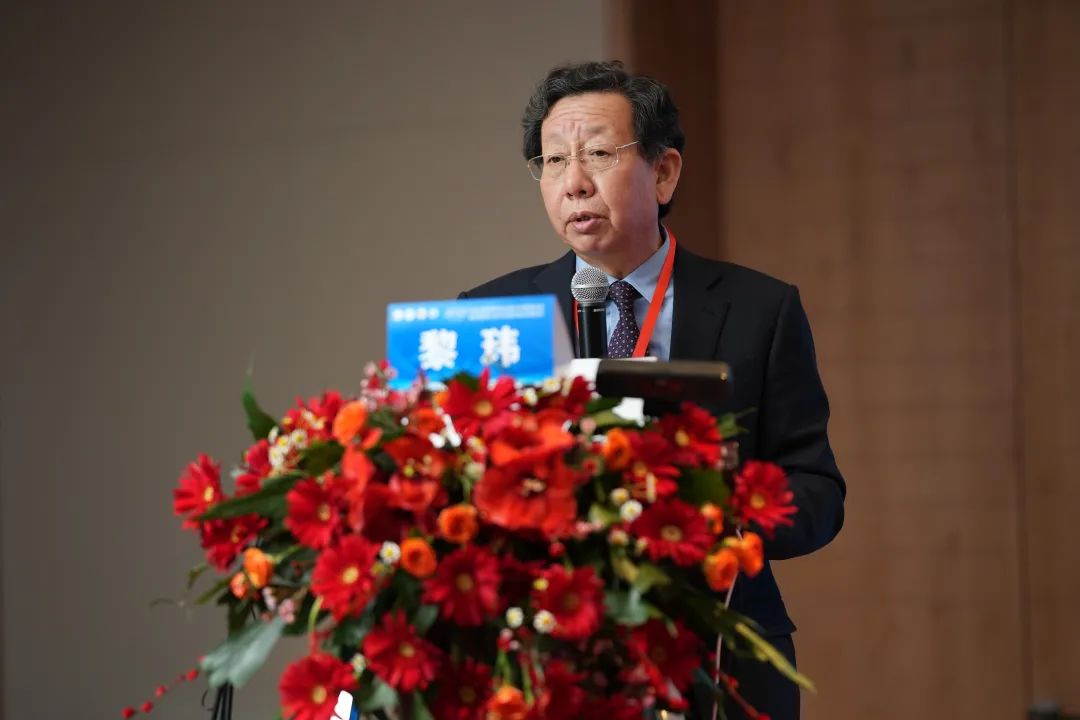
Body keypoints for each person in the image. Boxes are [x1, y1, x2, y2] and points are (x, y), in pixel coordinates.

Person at [460, 60, 845, 720]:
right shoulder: (492, 314)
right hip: (547, 659)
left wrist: (711, 516)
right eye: (553, 161)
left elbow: (816, 490)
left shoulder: (759, 310)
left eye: (598, 154)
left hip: (717, 658)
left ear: (663, 173)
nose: (574, 183)